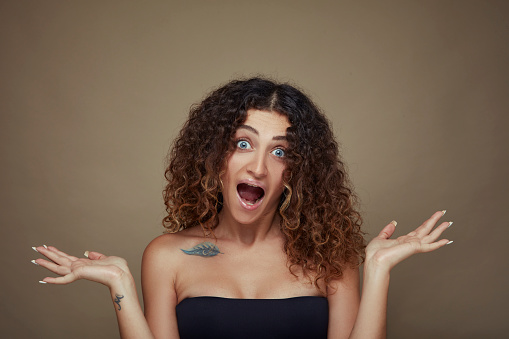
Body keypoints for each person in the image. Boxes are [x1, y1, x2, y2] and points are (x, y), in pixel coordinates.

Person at [32, 77, 453, 339]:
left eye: (281, 152)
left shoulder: (331, 257)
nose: (258, 166)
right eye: (243, 143)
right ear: (215, 156)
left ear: (296, 170)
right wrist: (120, 285)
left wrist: (376, 271)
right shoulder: (166, 256)